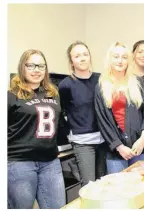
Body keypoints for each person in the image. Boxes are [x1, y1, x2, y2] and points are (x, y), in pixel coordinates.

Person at [8, 49, 66, 208]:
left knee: (58, 206)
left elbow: (57, 123)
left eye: (41, 66)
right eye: (31, 65)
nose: (36, 70)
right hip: (20, 162)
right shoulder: (11, 95)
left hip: (51, 161)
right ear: (22, 67)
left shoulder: (52, 93)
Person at [94, 42, 144, 173]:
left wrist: (143, 139)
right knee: (119, 190)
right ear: (110, 59)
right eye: (116, 56)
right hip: (116, 151)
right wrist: (119, 147)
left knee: (140, 188)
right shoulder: (101, 86)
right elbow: (103, 121)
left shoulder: (138, 82)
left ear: (129, 60)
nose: (120, 61)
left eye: (124, 57)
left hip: (140, 147)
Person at [58, 41, 107, 187]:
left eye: (85, 54)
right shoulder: (66, 85)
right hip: (82, 141)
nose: (82, 58)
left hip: (103, 140)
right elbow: (61, 112)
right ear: (71, 61)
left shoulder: (101, 80)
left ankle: (76, 166)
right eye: (77, 56)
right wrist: (68, 133)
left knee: (103, 183)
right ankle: (77, 166)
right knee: (90, 186)